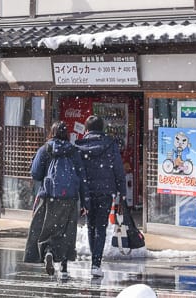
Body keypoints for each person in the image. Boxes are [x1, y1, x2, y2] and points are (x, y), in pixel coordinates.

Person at [24, 121, 88, 280]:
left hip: (49, 195)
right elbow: (82, 177)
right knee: (66, 231)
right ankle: (64, 265)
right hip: (70, 197)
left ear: (51, 133)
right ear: (66, 134)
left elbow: (36, 173)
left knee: (46, 229)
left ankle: (48, 252)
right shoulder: (74, 151)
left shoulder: (45, 149)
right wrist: (85, 201)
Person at [75, 115, 127, 277]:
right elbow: (118, 169)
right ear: (102, 129)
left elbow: (77, 171)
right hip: (105, 191)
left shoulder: (79, 146)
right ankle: (96, 264)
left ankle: (94, 260)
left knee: (90, 225)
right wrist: (122, 193)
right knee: (101, 226)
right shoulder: (110, 145)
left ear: (87, 129)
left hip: (87, 192)